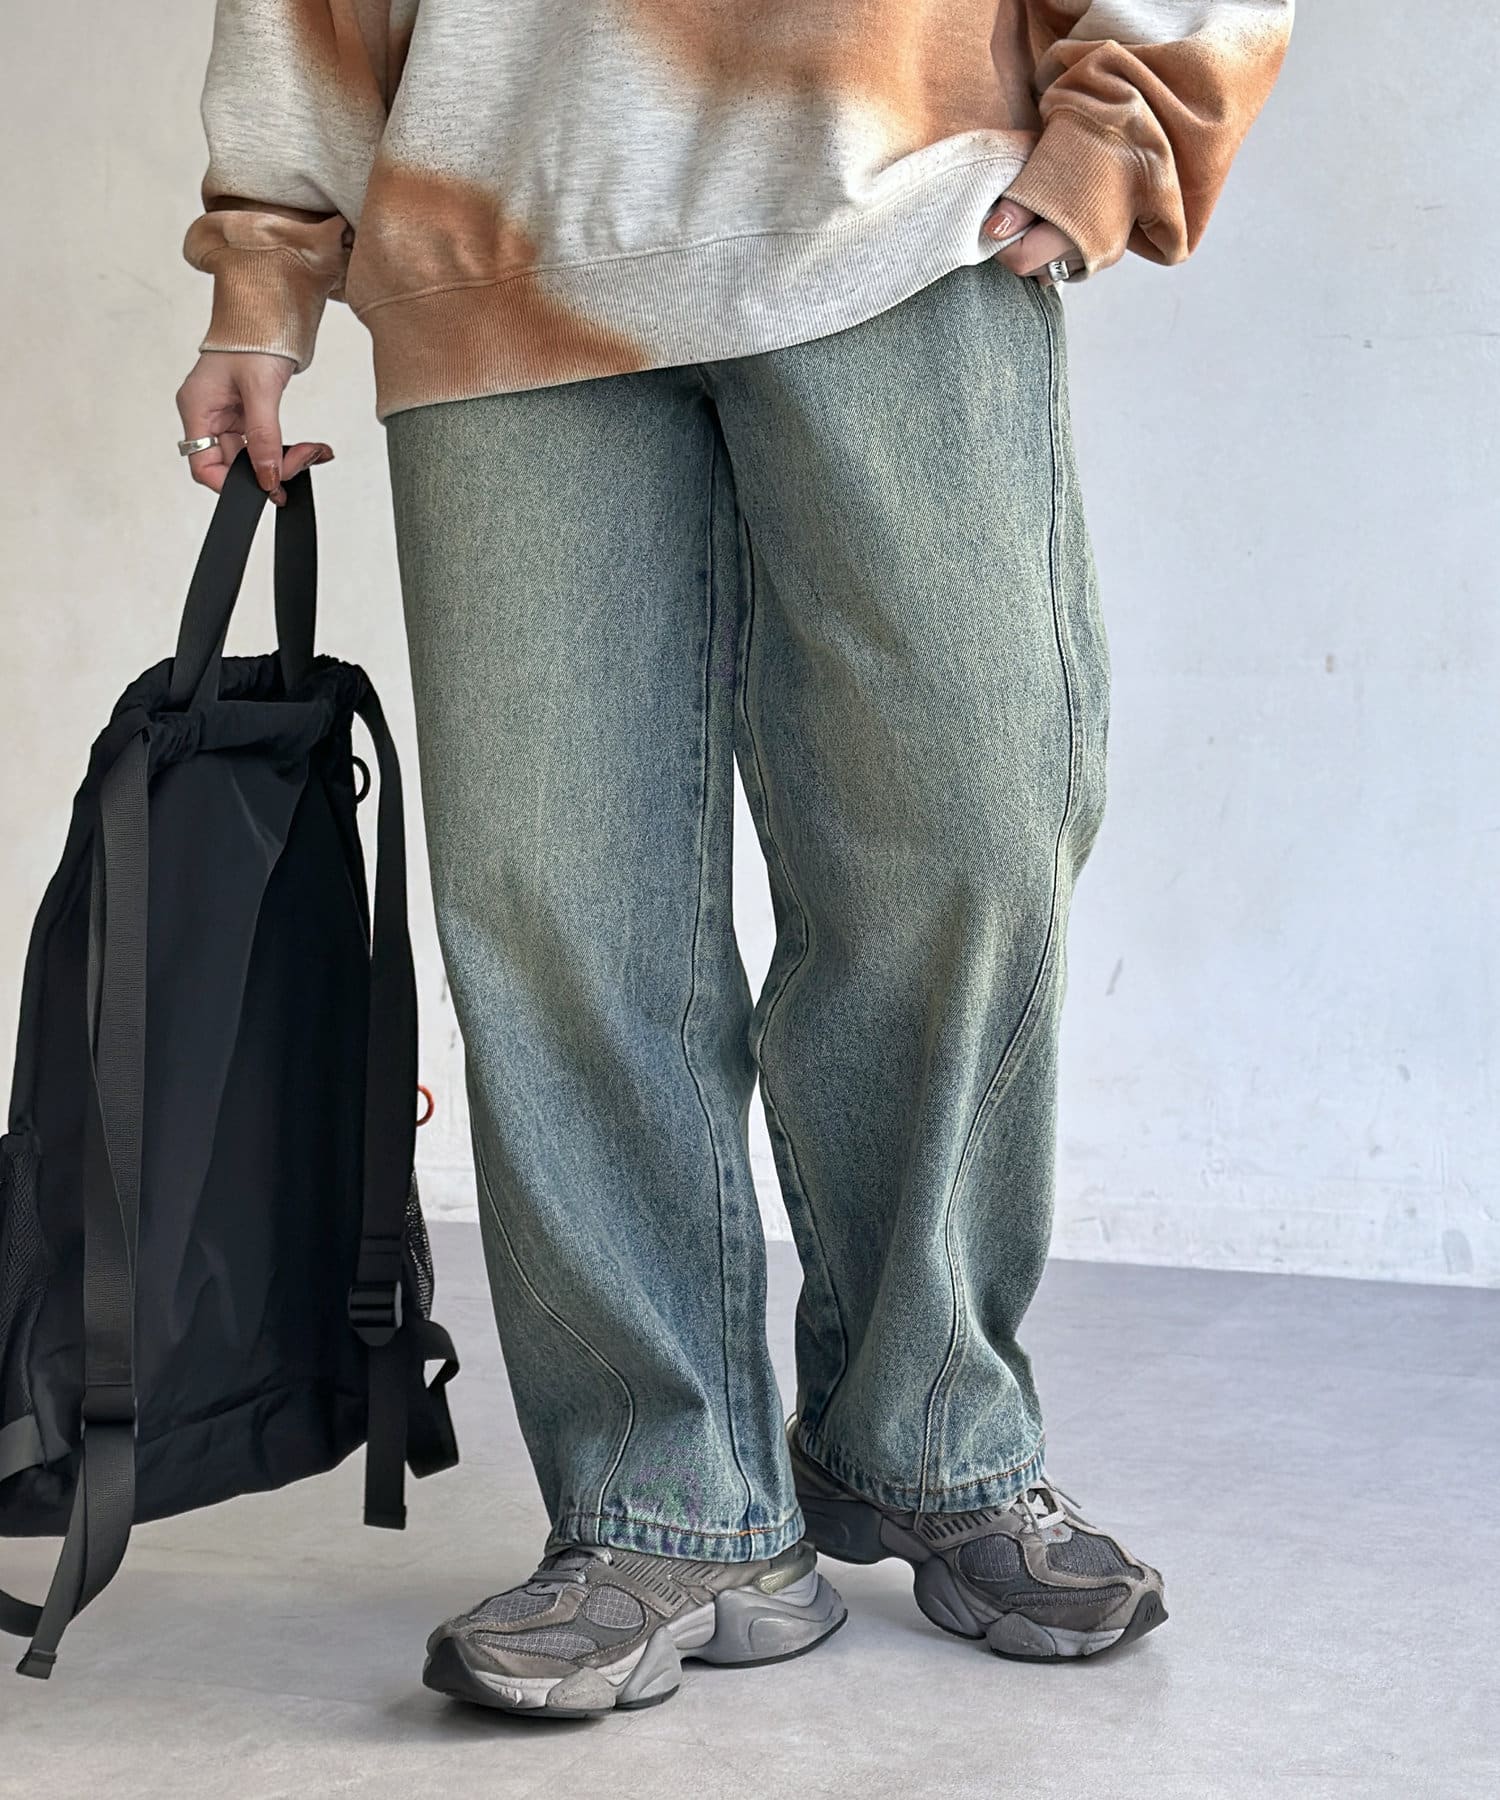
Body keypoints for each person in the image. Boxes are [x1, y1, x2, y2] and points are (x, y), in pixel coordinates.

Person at [176, 0, 1292, 1720]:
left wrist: (1123, 125)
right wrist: (265, 265)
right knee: (556, 906)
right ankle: (662, 1505)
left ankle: (932, 1436)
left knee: (969, 837)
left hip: (904, 206)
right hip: (500, 241)